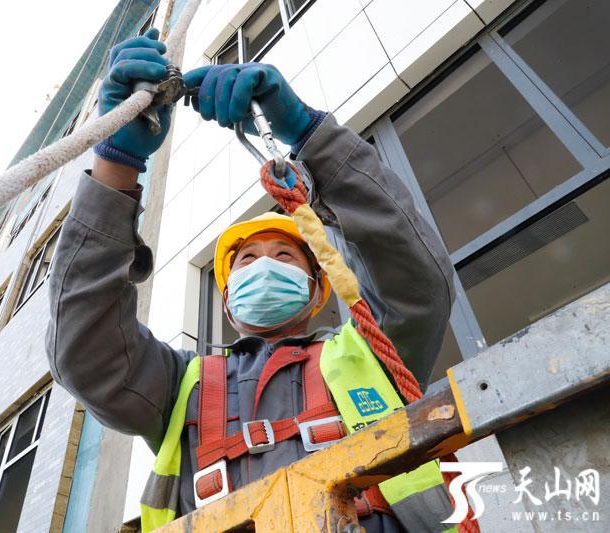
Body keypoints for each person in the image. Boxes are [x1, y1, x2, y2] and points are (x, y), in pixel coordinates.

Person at [46, 29, 457, 532]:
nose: (265, 265)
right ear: (226, 302)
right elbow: (85, 350)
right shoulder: (180, 386)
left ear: (317, 289)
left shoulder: (368, 353)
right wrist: (115, 168)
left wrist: (308, 133)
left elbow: (415, 277)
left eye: (285, 255)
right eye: (247, 260)